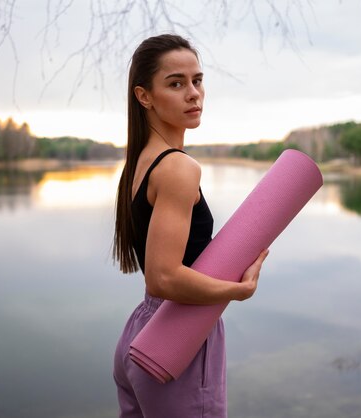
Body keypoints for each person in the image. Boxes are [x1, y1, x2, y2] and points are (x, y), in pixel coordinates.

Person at [112, 33, 269, 418]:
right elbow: (163, 278)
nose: (193, 93)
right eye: (176, 83)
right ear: (144, 96)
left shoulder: (139, 163)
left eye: (197, 81)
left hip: (141, 333)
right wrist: (236, 290)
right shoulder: (179, 167)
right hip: (177, 344)